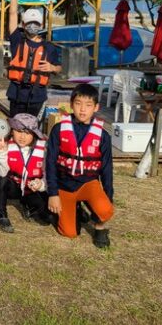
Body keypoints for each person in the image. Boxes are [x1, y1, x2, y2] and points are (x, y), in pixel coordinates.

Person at [45, 83, 114, 249]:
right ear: (71, 105)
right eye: (78, 103)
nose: (83, 109)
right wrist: (52, 193)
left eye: (88, 105)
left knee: (105, 209)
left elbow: (106, 169)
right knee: (69, 233)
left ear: (96, 107)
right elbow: (50, 163)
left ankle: (99, 227)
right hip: (64, 185)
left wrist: (108, 197)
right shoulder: (58, 129)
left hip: (88, 183)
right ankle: (71, 209)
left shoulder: (103, 135)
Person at [6, 0, 61, 117]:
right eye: (29, 23)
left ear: (41, 25)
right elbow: (12, 14)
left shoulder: (49, 47)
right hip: (17, 94)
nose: (32, 26)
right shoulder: (17, 41)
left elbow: (59, 68)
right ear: (23, 25)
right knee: (16, 128)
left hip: (37, 96)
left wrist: (52, 68)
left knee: (33, 130)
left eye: (36, 23)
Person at [0, 113, 50, 233]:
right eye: (19, 131)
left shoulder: (44, 148)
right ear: (12, 131)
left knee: (47, 218)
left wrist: (41, 184)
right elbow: (2, 173)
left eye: (28, 132)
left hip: (32, 188)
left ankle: (28, 206)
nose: (22, 137)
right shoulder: (8, 145)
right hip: (14, 186)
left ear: (34, 134)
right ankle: (2, 216)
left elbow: (49, 174)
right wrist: (1, 153)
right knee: (1, 181)